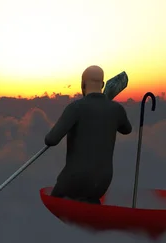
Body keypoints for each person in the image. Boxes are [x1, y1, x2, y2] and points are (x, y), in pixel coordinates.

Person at [44, 65, 132, 204]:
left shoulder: (76, 107)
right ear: (103, 85)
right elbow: (127, 129)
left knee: (53, 204)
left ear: (82, 84)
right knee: (91, 204)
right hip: (102, 183)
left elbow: (51, 139)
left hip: (73, 182)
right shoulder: (117, 109)